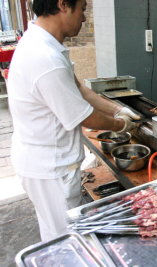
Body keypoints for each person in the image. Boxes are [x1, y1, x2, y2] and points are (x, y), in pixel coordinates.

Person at [7, 0, 139, 241]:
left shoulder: (43, 43)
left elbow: (79, 89)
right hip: (50, 168)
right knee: (67, 240)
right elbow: (84, 116)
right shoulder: (44, 57)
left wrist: (117, 109)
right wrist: (122, 125)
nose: (85, 18)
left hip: (42, 160)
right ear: (63, 5)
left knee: (55, 231)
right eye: (82, 9)